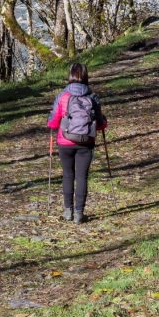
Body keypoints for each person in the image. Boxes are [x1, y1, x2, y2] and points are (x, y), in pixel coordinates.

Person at [47, 61, 107, 224]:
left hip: (65, 141)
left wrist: (51, 121)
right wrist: (103, 122)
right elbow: (101, 123)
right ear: (86, 76)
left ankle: (68, 212)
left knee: (68, 175)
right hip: (86, 141)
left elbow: (53, 122)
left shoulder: (62, 96)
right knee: (82, 176)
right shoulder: (93, 97)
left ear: (70, 76)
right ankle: (79, 214)